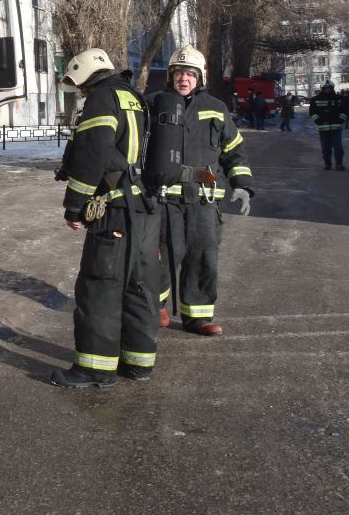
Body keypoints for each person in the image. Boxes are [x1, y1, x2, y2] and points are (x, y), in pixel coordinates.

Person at [50, 48, 159, 388]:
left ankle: (94, 370)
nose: (79, 91)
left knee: (100, 287)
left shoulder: (102, 99)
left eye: (77, 84)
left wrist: (75, 205)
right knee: (137, 285)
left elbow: (92, 154)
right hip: (140, 208)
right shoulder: (133, 97)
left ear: (85, 75)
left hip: (113, 210)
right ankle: (137, 362)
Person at [151, 46, 252, 337]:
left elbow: (234, 150)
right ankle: (153, 306)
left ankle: (198, 317)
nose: (184, 78)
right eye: (179, 73)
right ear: (171, 76)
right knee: (163, 253)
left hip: (204, 199)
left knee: (203, 255)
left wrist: (243, 185)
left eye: (190, 74)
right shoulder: (154, 104)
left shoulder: (216, 108)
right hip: (164, 198)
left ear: (200, 77)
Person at [309, 80, 346, 170]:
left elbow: (345, 111)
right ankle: (327, 164)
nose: (328, 89)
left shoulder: (340, 99)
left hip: (336, 127)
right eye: (326, 88)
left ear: (332, 88)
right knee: (326, 148)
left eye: (329, 88)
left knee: (338, 147)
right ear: (322, 89)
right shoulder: (315, 99)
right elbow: (312, 112)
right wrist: (318, 121)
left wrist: (340, 120)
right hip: (323, 128)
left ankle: (339, 164)